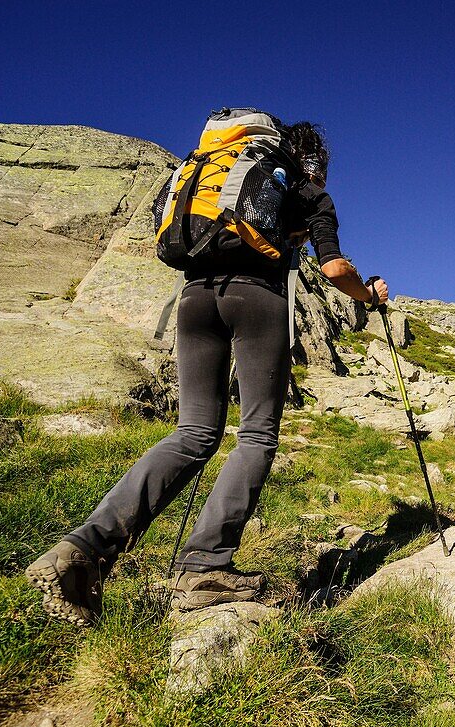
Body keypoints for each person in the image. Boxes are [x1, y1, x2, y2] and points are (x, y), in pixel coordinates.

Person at [25, 120, 387, 626]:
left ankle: (83, 549)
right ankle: (205, 567)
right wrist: (369, 296)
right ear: (309, 160)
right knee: (257, 434)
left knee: (193, 432)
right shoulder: (304, 190)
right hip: (257, 298)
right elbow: (333, 270)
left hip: (193, 298)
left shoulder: (216, 175)